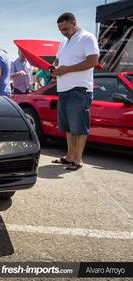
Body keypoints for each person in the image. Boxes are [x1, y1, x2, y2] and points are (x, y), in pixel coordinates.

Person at [51, 12, 99, 171]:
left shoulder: (87, 37)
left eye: (65, 28)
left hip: (80, 89)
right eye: (60, 30)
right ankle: (69, 156)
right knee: (68, 126)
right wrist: (54, 68)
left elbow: (93, 61)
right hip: (63, 88)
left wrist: (67, 70)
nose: (63, 32)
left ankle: (78, 160)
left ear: (74, 22)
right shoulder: (63, 41)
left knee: (79, 126)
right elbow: (58, 61)